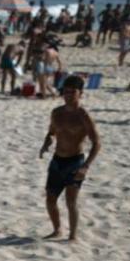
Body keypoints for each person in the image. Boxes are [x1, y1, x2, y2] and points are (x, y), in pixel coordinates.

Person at [38, 75, 101, 242]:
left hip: (75, 161)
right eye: (66, 92)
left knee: (70, 200)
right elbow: (51, 132)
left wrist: (85, 166)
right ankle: (57, 229)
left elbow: (97, 143)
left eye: (73, 92)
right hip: (57, 160)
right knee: (50, 199)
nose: (69, 95)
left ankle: (72, 236)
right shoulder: (56, 113)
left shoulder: (83, 115)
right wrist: (46, 142)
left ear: (81, 93)